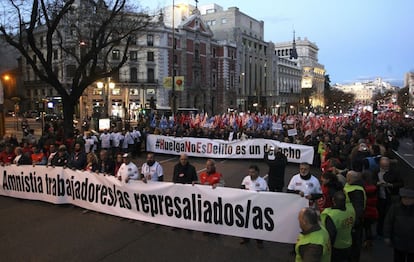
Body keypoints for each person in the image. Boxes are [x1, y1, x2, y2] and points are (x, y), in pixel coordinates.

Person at [321, 191, 355, 261]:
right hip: (348, 244)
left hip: (336, 248)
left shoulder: (332, 215)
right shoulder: (350, 210)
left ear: (333, 200)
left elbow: (331, 235)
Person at [240, 164, 268, 248]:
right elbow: (241, 187)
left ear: (257, 172)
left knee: (257, 224)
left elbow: (267, 194)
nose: (251, 174)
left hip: (257, 206)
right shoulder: (246, 179)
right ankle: (246, 238)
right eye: (250, 172)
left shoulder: (262, 182)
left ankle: (259, 241)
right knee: (246, 222)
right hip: (247, 205)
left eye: (253, 172)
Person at [374, 156, 403, 237]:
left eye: (386, 166)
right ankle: (380, 231)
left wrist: (391, 185)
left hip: (391, 196)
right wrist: (377, 183)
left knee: (390, 215)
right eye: (383, 167)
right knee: (381, 215)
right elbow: (372, 181)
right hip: (380, 196)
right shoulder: (376, 171)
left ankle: (389, 232)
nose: (385, 168)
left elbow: (401, 183)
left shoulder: (395, 172)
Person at [384, 187, 414, 262]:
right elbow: (388, 223)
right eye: (404, 198)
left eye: (409, 198)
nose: (407, 200)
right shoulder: (395, 208)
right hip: (398, 242)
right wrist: (387, 236)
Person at [343, 170, 366, 262]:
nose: (346, 178)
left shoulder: (356, 191)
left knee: (354, 245)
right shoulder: (352, 186)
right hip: (350, 220)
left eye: (348, 177)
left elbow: (358, 209)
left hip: (354, 223)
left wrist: (354, 223)